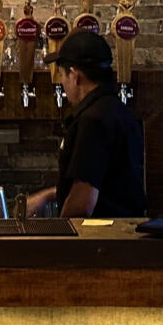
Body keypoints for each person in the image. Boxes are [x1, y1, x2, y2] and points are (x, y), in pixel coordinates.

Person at [28, 29, 146, 218]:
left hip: (102, 240)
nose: (63, 85)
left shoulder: (92, 121)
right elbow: (107, 184)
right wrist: (49, 195)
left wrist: (56, 239)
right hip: (125, 233)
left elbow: (82, 203)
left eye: (62, 75)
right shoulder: (118, 111)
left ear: (75, 76)